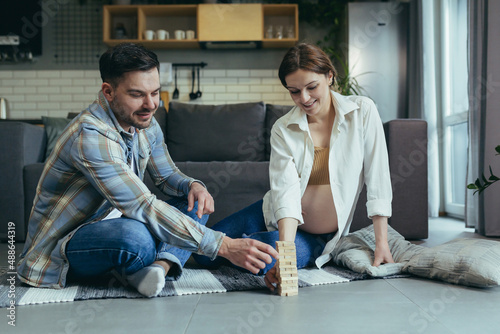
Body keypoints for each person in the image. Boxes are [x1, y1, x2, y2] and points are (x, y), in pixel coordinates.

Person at [17, 43, 278, 298]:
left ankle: (157, 269)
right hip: (64, 245)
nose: (151, 104)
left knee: (193, 205)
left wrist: (192, 185)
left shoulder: (145, 123)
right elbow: (143, 206)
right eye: (137, 94)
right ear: (108, 92)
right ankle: (155, 258)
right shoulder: (91, 135)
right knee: (136, 238)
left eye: (155, 92)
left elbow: (166, 177)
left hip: (123, 220)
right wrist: (225, 246)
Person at [194, 43, 395, 291]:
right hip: (271, 212)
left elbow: (378, 178)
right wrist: (285, 250)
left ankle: (245, 246)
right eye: (295, 92)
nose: (305, 99)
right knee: (203, 249)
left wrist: (382, 243)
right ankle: (162, 258)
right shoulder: (283, 128)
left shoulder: (362, 111)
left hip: (315, 238)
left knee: (267, 258)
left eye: (312, 88)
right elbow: (285, 192)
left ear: (329, 76)